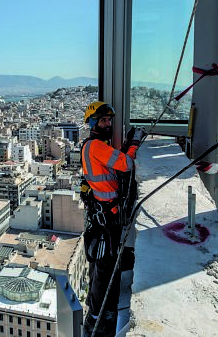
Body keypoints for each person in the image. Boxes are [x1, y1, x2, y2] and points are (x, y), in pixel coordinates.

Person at [81, 101, 145, 337]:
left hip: (103, 213)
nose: (108, 124)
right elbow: (126, 164)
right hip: (108, 214)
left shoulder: (92, 146)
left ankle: (97, 309)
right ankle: (98, 315)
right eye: (103, 120)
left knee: (102, 262)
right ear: (93, 123)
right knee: (106, 263)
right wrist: (133, 145)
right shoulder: (97, 146)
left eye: (109, 120)